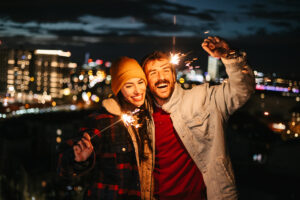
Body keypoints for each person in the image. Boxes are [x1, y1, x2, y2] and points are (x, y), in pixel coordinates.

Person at [141, 36, 255, 200]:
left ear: (174, 76)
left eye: (166, 70)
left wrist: (229, 55)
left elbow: (242, 90)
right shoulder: (143, 118)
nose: (161, 77)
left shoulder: (203, 98)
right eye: (153, 73)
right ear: (146, 81)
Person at [58, 57, 155, 200]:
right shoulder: (102, 120)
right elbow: (63, 164)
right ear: (119, 89)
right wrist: (79, 160)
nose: (137, 90)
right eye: (129, 85)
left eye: (140, 82)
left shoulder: (149, 118)